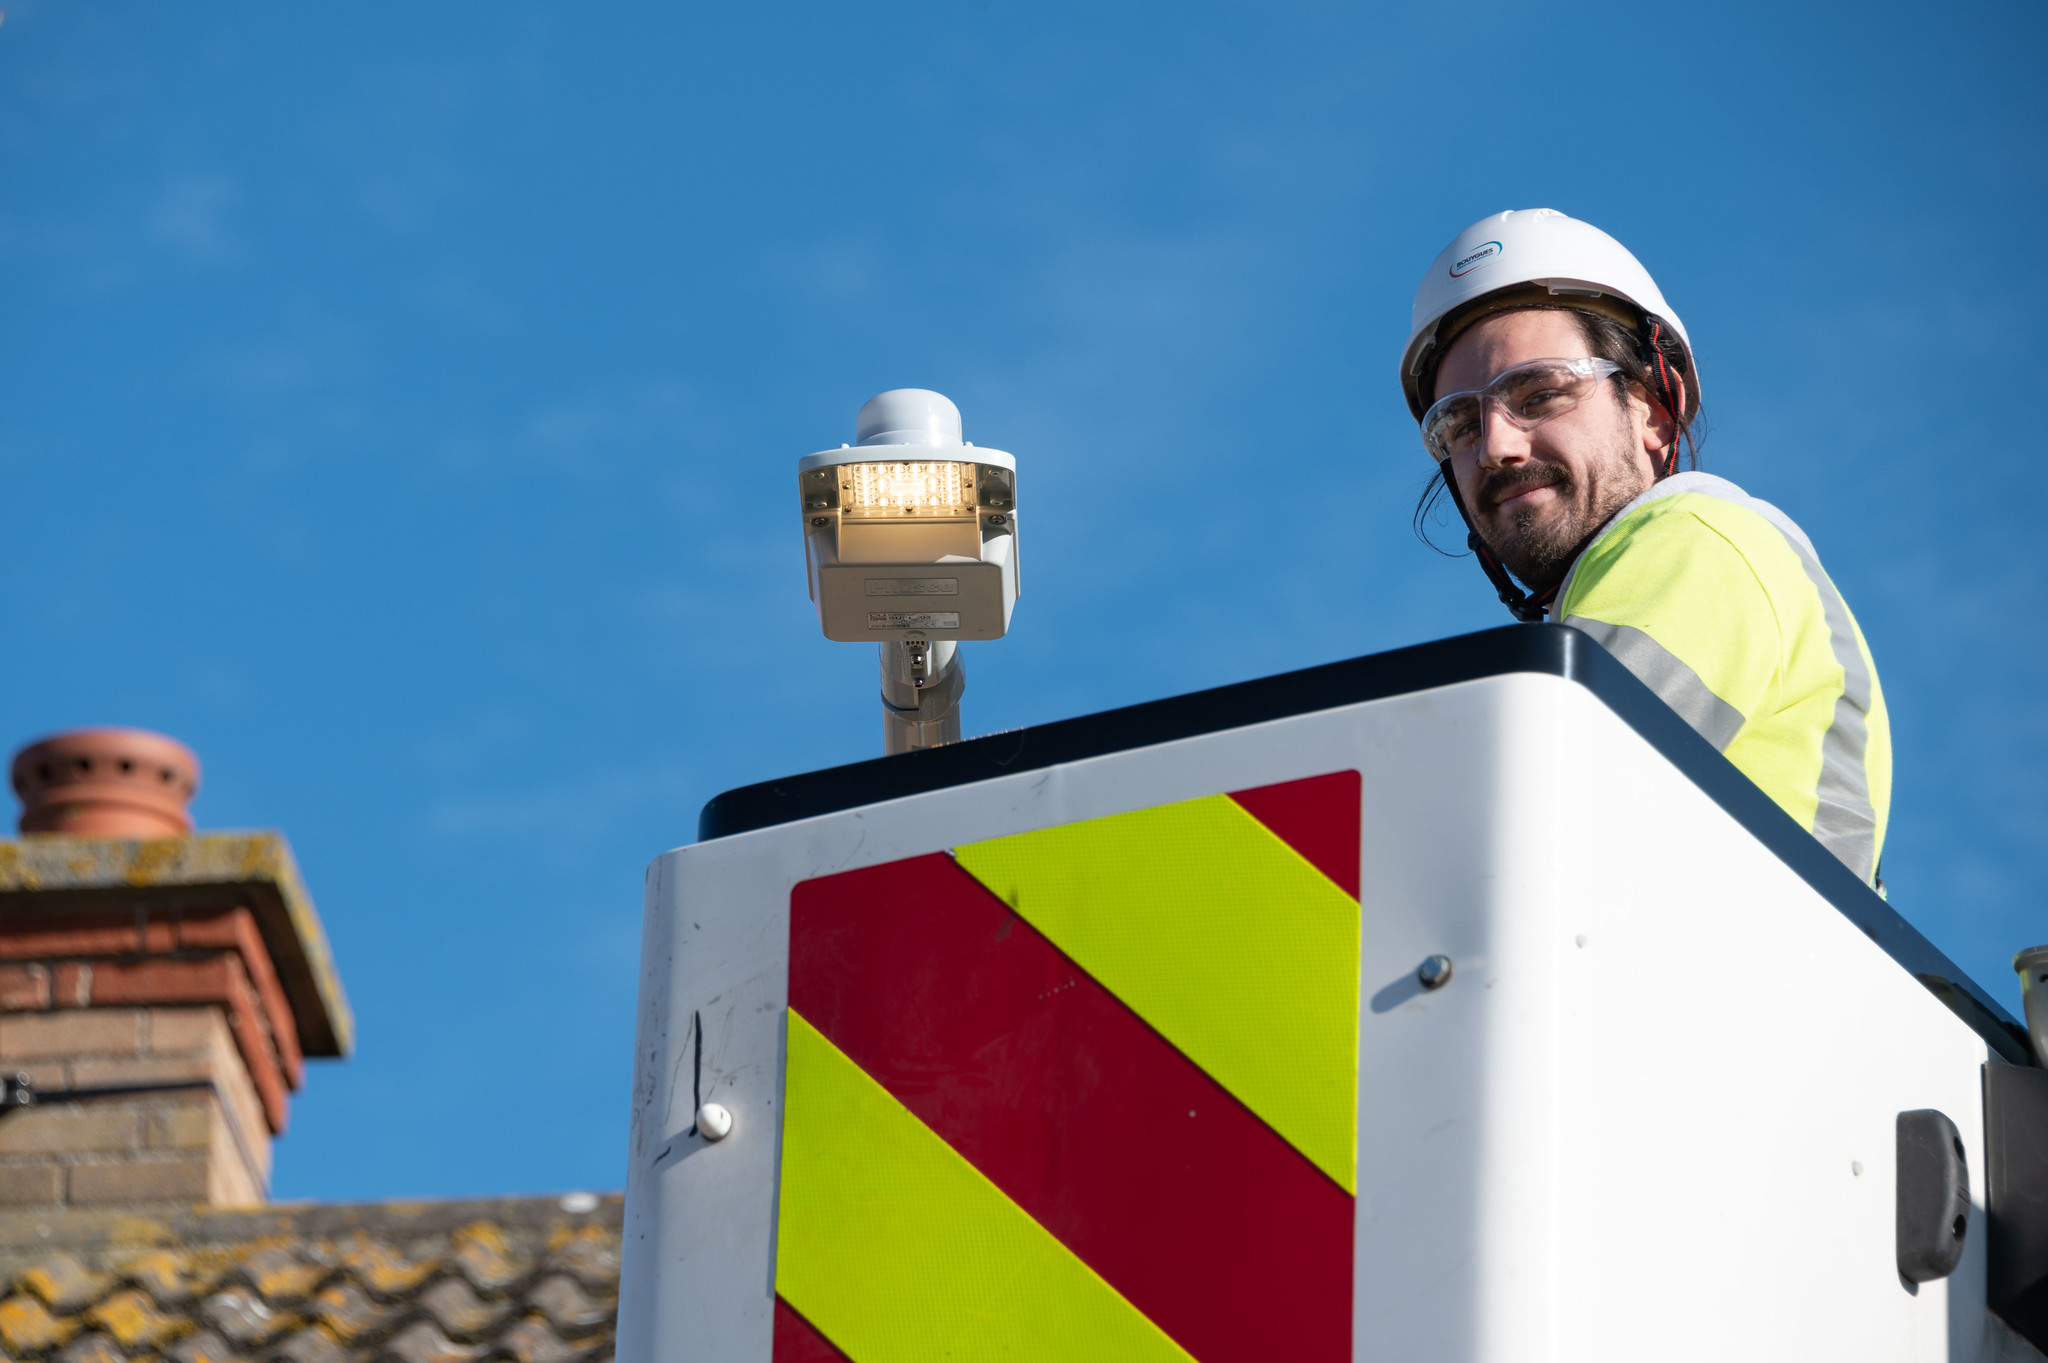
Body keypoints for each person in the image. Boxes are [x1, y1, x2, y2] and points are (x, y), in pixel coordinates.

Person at [1400, 209, 1889, 886]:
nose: (1496, 446)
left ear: (1653, 413)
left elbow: (1529, 813)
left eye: (1540, 394)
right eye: (1459, 421)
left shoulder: (1691, 539)